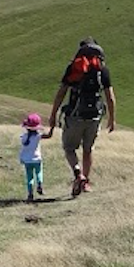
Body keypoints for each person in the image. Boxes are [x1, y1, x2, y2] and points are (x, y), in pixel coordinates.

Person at [44, 38, 115, 197]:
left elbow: (61, 93)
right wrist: (111, 118)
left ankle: (78, 174)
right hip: (95, 117)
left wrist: (53, 114)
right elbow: (110, 97)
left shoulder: (74, 68)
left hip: (75, 116)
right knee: (88, 150)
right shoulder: (102, 70)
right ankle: (86, 182)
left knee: (69, 148)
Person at [19, 113, 46, 202]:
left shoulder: (24, 137)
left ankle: (30, 194)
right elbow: (48, 135)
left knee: (29, 177)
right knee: (39, 172)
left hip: (27, 160)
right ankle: (40, 183)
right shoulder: (38, 136)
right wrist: (52, 128)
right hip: (37, 158)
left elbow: (23, 146)